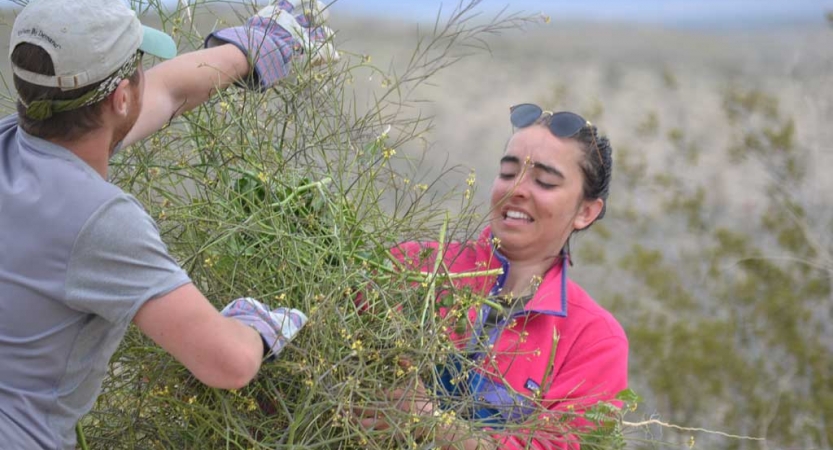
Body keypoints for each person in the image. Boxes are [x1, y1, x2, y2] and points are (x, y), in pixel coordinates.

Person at [0, 0, 337, 448]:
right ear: (121, 99)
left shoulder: (18, 143)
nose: (146, 77)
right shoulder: (99, 221)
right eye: (138, 67)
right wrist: (258, 327)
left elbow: (169, 90)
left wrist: (252, 45)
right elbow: (229, 363)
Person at [356, 104, 629, 449]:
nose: (517, 189)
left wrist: (431, 423)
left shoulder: (592, 339)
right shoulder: (410, 265)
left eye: (544, 181)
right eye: (507, 172)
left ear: (586, 212)